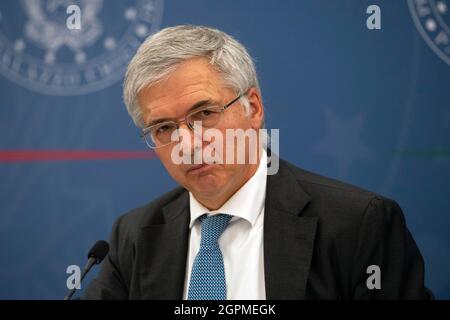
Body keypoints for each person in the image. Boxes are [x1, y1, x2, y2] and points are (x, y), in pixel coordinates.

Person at [83, 25, 432, 299]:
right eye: (163, 128)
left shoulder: (358, 224)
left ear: (254, 107)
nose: (187, 144)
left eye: (204, 113)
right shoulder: (134, 236)